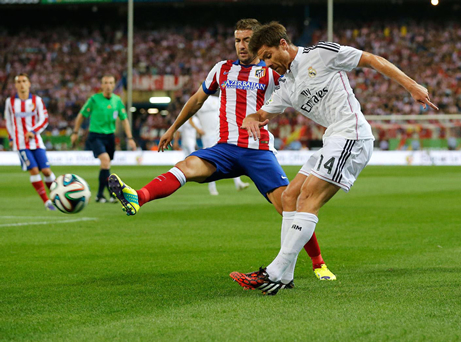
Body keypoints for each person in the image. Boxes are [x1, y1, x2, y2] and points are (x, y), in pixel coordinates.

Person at [108, 18, 334, 281]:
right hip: (224, 149)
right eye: (237, 40)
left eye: (247, 40)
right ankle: (138, 197)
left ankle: (318, 263)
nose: (241, 45)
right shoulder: (222, 70)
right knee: (186, 166)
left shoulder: (271, 71)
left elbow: (302, 93)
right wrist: (173, 127)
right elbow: (196, 99)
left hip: (257, 151)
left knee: (288, 205)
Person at [230, 22, 439, 295]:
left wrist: (412, 86)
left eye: (268, 56)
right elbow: (263, 114)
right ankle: (285, 275)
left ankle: (274, 272)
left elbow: (371, 60)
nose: (268, 65)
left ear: (283, 44)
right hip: (333, 141)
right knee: (290, 196)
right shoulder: (288, 84)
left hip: (352, 136)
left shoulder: (321, 53)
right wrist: (251, 117)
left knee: (308, 198)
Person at [71, 75, 137, 203]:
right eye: (105, 83)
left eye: (111, 83)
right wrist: (75, 132)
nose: (108, 85)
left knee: (106, 165)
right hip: (95, 135)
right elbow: (81, 115)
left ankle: (103, 195)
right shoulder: (94, 99)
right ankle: (107, 194)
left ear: (113, 85)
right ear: (101, 85)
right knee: (105, 161)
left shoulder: (117, 100)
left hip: (110, 137)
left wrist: (130, 137)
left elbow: (124, 119)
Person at [4, 73, 57, 211]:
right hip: (20, 143)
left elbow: (44, 119)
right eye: (19, 81)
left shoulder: (37, 100)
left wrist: (33, 131)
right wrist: (11, 138)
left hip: (37, 142)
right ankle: (47, 202)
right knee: (33, 170)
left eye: (24, 81)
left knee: (46, 171)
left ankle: (57, 196)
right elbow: (9, 122)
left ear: (29, 84)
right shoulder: (10, 102)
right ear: (15, 85)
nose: (22, 84)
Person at [194, 95, 250, 195]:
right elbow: (191, 117)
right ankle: (212, 187)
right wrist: (198, 128)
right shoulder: (198, 101)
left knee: (230, 157)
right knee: (210, 162)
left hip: (220, 133)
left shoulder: (216, 100)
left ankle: (238, 183)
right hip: (207, 135)